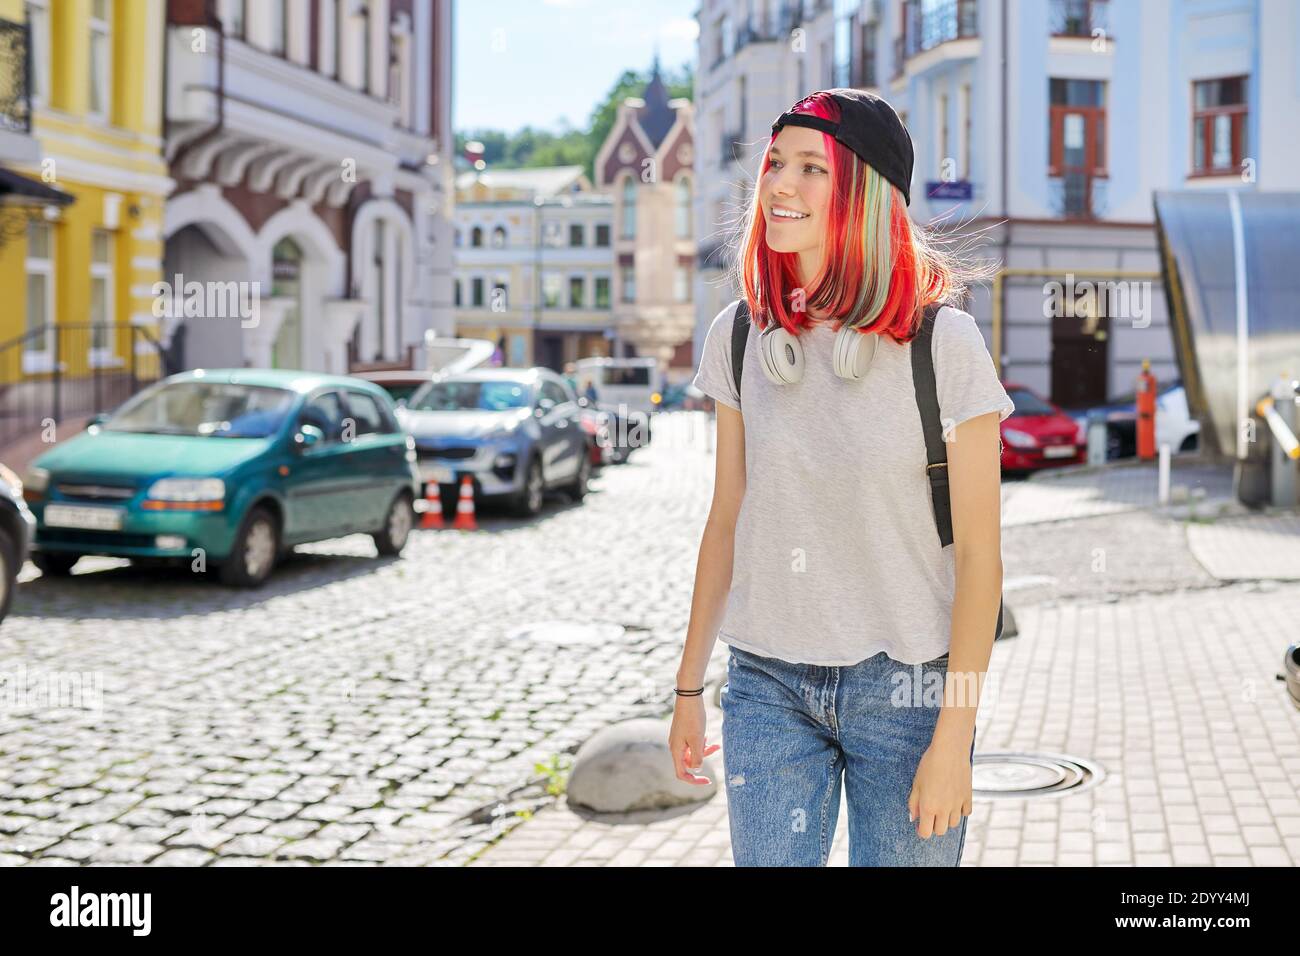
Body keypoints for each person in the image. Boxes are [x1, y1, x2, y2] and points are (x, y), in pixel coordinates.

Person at [669, 89, 1013, 867]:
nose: (779, 185)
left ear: (866, 191)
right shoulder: (740, 338)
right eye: (774, 164)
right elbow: (726, 521)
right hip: (767, 687)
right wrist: (689, 687)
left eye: (811, 168)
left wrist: (954, 740)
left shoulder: (944, 345)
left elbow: (982, 562)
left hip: (908, 694)